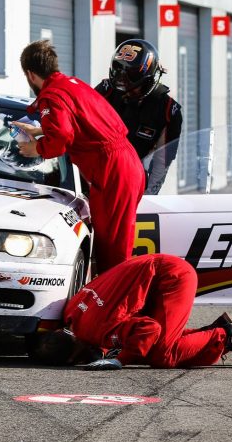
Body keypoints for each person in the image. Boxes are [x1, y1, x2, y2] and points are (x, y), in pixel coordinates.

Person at [16, 39, 145, 273]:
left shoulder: (51, 96)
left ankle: (114, 308)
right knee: (113, 246)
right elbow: (83, 123)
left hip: (113, 169)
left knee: (113, 252)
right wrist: (44, 129)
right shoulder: (70, 83)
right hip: (125, 162)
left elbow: (63, 135)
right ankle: (111, 303)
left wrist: (37, 148)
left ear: (30, 74)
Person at [31, 254, 232, 369]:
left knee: (163, 354)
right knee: (154, 346)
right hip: (155, 273)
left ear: (74, 356)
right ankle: (215, 334)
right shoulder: (72, 313)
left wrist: (121, 360)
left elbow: (149, 329)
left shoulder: (95, 332)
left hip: (171, 277)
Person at [95, 39, 182, 194]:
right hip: (93, 172)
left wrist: (149, 195)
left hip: (131, 180)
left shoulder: (168, 110)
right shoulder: (106, 90)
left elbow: (163, 161)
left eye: (133, 88)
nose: (126, 92)